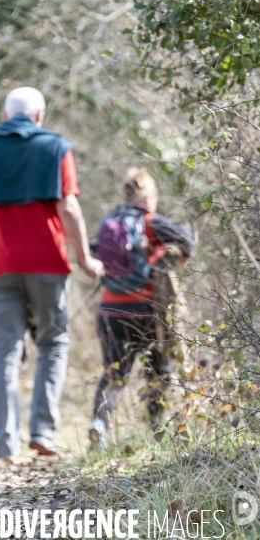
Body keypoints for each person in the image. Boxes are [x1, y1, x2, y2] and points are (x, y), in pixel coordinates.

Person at [0, 87, 104, 461]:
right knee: (53, 343)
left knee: (3, 352)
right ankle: (44, 433)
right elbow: (68, 207)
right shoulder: (56, 149)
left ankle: (5, 443)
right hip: (47, 264)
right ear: (40, 116)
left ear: (5, 115)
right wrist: (84, 256)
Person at [89, 167, 193, 448]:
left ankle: (99, 426)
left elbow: (92, 251)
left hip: (110, 311)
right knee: (157, 372)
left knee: (113, 374)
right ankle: (155, 432)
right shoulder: (153, 222)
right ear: (148, 198)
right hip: (146, 313)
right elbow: (188, 240)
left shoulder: (108, 223)